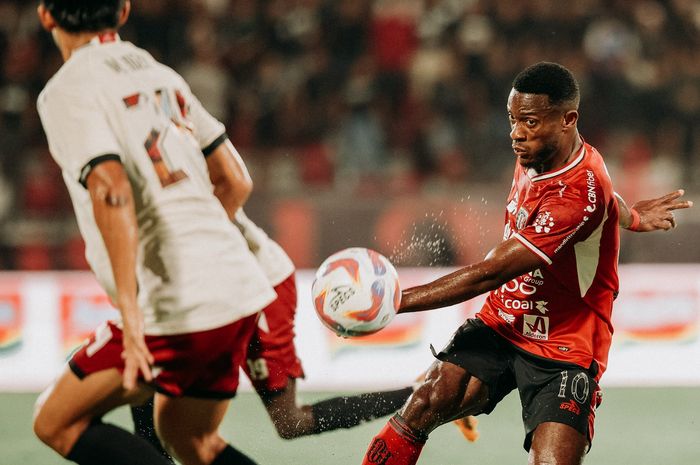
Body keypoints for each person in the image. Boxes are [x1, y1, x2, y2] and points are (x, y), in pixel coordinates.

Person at [359, 62, 693, 465]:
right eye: (513, 119)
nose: (516, 133)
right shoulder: (540, 150)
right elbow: (605, 198)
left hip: (565, 346)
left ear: (568, 120)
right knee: (423, 405)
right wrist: (632, 217)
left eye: (529, 122)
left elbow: (490, 272)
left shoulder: (578, 194)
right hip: (504, 320)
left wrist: (392, 301)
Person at [32, 2, 279, 465]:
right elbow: (235, 180)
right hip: (239, 287)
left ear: (46, 15)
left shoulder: (66, 89)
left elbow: (112, 189)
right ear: (123, 10)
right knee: (193, 443)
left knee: (56, 422)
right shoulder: (162, 74)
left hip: (178, 305)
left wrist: (132, 318)